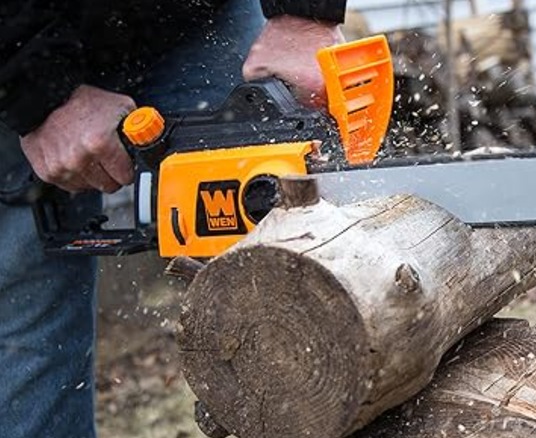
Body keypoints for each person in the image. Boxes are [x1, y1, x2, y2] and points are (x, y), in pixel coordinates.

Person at [0, 1, 346, 436]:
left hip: (193, 17)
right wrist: (39, 90)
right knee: (31, 324)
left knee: (283, 268)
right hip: (19, 35)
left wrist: (304, 17)